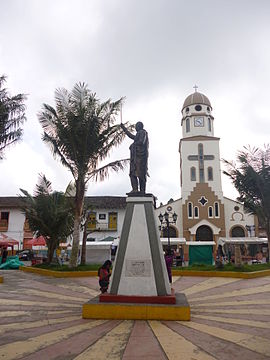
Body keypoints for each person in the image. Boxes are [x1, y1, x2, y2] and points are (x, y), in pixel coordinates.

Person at [120, 121, 149, 193]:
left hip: (140, 157)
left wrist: (133, 145)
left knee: (140, 174)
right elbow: (132, 136)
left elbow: (141, 141)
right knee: (133, 173)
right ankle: (135, 189)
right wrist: (124, 129)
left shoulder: (143, 132)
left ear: (139, 126)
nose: (135, 128)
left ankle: (142, 190)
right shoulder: (139, 134)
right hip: (136, 157)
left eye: (136, 126)